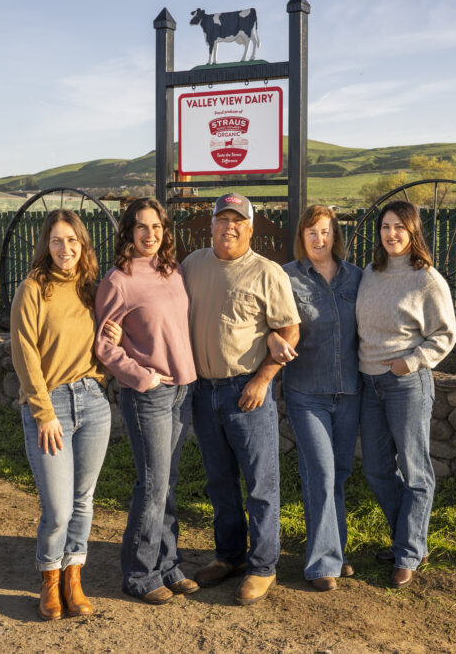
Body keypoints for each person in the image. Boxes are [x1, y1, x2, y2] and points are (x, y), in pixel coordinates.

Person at [182, 192, 300, 605]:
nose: (228, 227)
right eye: (222, 220)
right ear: (210, 225)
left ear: (250, 228)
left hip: (245, 391)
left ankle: (263, 566)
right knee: (219, 483)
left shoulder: (267, 272)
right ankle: (229, 556)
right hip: (202, 390)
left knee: (260, 484)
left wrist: (263, 378)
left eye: (238, 221)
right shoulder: (192, 265)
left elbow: (289, 331)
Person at [95, 198, 198, 605]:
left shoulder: (171, 272)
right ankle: (139, 573)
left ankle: (168, 564)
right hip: (149, 396)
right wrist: (142, 376)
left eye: (156, 227)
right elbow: (105, 344)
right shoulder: (118, 280)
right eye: (141, 227)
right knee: (153, 484)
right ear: (128, 232)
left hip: (182, 390)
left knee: (168, 481)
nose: (150, 234)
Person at [10, 209, 110, 620]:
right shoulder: (33, 288)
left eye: (72, 240)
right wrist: (43, 411)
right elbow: (24, 351)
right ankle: (50, 578)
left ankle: (74, 577)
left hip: (92, 402)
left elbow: (107, 336)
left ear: (82, 243)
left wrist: (106, 355)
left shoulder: (92, 288)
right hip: (49, 408)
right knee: (58, 508)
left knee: (84, 501)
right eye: (56, 240)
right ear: (45, 245)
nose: (65, 248)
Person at [355, 200, 456, 589]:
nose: (391, 233)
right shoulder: (370, 273)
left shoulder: (426, 279)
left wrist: (410, 362)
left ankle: (408, 552)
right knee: (378, 468)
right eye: (385, 226)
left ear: (413, 232)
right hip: (368, 382)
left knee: (415, 470)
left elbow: (444, 335)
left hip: (405, 384)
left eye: (400, 227)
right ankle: (409, 539)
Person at [267, 205, 362, 592]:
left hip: (350, 391)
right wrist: (273, 337)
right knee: (320, 474)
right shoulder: (287, 278)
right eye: (311, 233)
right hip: (307, 392)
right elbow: (267, 320)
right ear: (302, 238)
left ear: (334, 235)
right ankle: (322, 563)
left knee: (338, 474)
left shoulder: (357, 277)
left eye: (325, 232)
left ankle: (333, 551)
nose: (319, 240)